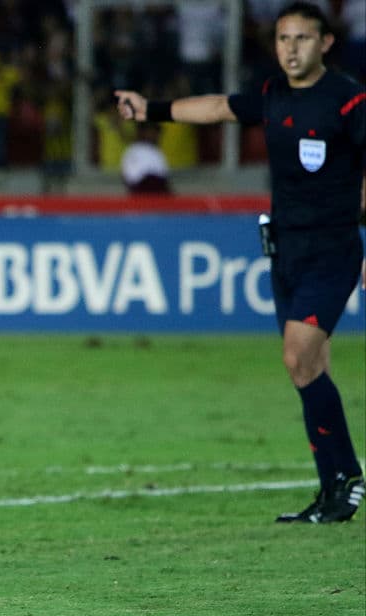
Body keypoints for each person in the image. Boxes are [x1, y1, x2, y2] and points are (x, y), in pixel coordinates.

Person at [115, 1, 365, 523]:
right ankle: (333, 492)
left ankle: (346, 479)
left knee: (298, 357)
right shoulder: (272, 96)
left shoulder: (348, 99)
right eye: (282, 39)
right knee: (309, 368)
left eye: (301, 39)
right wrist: (151, 109)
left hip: (332, 249)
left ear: (325, 44)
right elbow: (217, 108)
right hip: (286, 251)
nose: (290, 49)